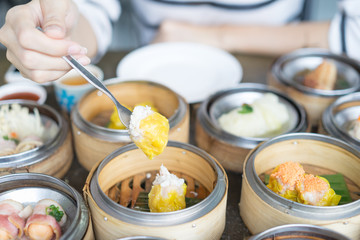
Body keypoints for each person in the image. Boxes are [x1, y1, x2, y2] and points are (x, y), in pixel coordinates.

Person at [0, 0, 359, 84]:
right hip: (155, 80)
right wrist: (53, 37)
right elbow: (88, 14)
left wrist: (216, 37)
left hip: (273, 77)